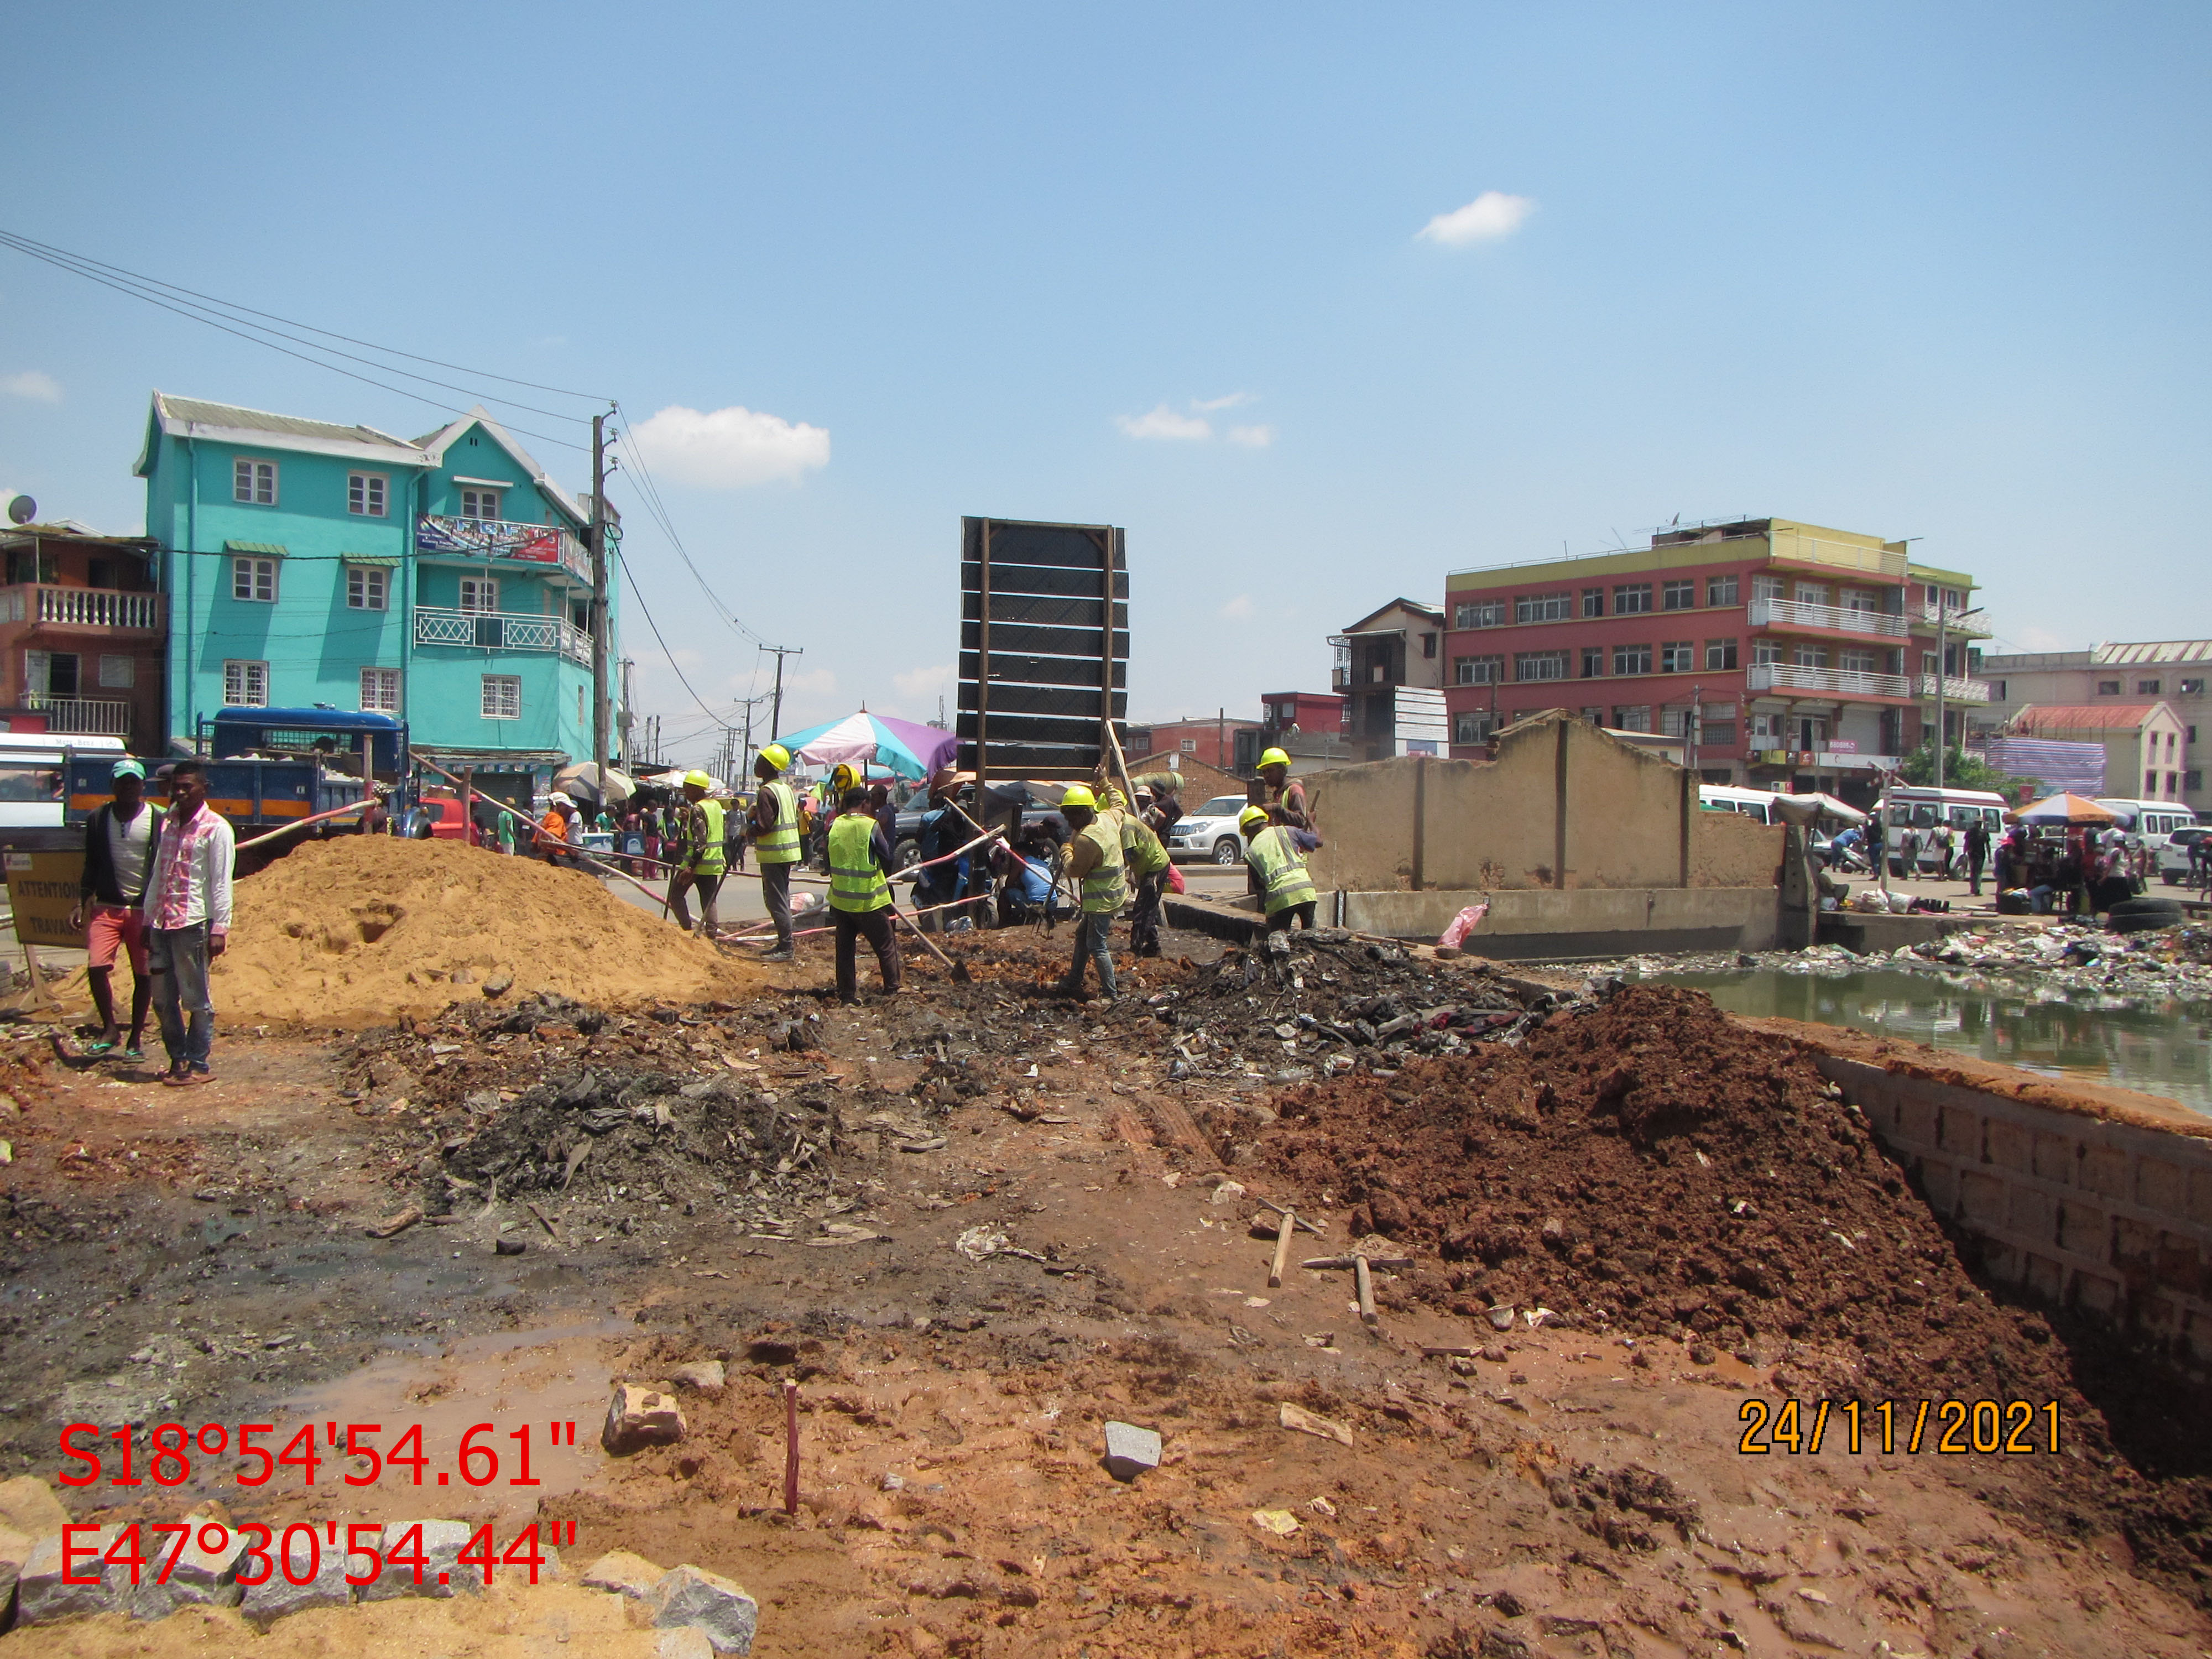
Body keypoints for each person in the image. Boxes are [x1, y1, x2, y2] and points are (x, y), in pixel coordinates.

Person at [141, 760, 233, 1086]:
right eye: (176, 787)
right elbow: (157, 875)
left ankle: (198, 1062)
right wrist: (147, 918)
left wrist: (220, 927)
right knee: (163, 999)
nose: (180, 792)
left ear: (203, 789)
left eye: (187, 786)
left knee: (196, 999)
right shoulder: (167, 824)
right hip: (161, 924)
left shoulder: (216, 829)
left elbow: (221, 882)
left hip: (192, 924)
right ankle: (177, 1059)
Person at [71, 758, 161, 1062]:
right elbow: (91, 864)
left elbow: (163, 865)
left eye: (134, 781)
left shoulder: (157, 819)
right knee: (97, 966)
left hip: (143, 909)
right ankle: (110, 1029)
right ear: (113, 785)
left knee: (143, 973)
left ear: (142, 786)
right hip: (107, 905)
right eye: (123, 781)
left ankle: (136, 1036)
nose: (128, 787)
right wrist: (81, 900)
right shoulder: (98, 818)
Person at [826, 786, 902, 1003]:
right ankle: (892, 988)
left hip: (841, 900)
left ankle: (847, 993)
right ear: (864, 804)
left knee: (845, 949)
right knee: (886, 944)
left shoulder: (834, 824)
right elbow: (886, 855)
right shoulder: (870, 826)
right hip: (868, 900)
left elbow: (827, 860)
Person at [1056, 785, 1123, 999]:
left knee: (1097, 944)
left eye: (1072, 818)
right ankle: (1074, 979)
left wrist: (1066, 852)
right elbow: (1119, 804)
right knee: (1083, 936)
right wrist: (1106, 784)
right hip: (1114, 890)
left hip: (1100, 898)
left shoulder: (1087, 840)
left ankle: (1110, 994)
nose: (1069, 824)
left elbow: (1075, 870)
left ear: (1085, 813)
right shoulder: (1108, 817)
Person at [748, 744, 802, 961]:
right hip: (786, 852)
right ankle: (783, 944)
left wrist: (748, 830)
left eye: (760, 760)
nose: (756, 764)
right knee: (779, 899)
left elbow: (765, 825)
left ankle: (786, 948)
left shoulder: (767, 792)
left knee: (776, 901)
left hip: (775, 853)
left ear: (769, 766)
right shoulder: (785, 789)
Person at [1241, 806, 1323, 932]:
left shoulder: (1251, 853)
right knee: (1311, 935)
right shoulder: (1288, 831)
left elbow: (1260, 887)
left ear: (1247, 832)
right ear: (1266, 821)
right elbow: (1318, 841)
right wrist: (1311, 821)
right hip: (1305, 892)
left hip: (1279, 898)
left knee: (1279, 940)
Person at [666, 770, 727, 936]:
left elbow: (701, 842)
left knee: (675, 895)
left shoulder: (698, 809)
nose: (686, 793)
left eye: (687, 789)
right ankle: (712, 935)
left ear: (696, 789)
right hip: (713, 862)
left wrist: (690, 867)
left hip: (698, 863)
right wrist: (688, 820)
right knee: (709, 901)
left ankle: (686, 929)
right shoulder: (715, 805)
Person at [1119, 798, 1171, 958]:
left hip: (1156, 866)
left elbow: (1131, 854)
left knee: (1142, 909)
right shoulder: (1125, 822)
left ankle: (1136, 949)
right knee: (1148, 907)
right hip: (1149, 866)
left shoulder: (1126, 828)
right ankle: (1153, 946)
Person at [1256, 748, 1311, 830]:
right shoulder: (1277, 794)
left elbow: (1301, 821)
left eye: (1270, 770)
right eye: (1264, 772)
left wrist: (1277, 808)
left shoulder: (1294, 789)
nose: (1266, 775)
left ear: (1282, 770)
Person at [1964, 816, 1991, 898]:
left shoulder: (1981, 832)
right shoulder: (1973, 832)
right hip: (1975, 853)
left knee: (1976, 872)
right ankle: (1975, 889)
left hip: (1977, 854)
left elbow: (1987, 845)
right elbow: (1967, 843)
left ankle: (1976, 889)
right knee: (1975, 872)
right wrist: (1965, 852)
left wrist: (1989, 855)